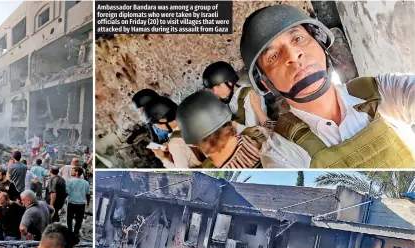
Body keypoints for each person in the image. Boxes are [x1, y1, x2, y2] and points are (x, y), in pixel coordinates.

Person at [241, 4, 415, 168]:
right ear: (266, 83)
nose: (293, 55)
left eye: (298, 38)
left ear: (319, 41)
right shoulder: (282, 154)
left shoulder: (381, 91)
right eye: (273, 56)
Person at [176, 90, 271, 168]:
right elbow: (277, 134)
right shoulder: (259, 138)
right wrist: (258, 109)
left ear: (193, 143)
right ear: (227, 117)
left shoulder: (211, 178)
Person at [204, 61, 272, 133]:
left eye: (218, 86)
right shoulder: (227, 99)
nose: (215, 92)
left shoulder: (249, 95)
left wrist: (231, 124)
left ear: (230, 82)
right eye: (212, 88)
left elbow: (253, 132)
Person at [65, 167, 90, 237]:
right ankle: (76, 232)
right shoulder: (86, 182)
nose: (71, 172)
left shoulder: (69, 181)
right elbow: (88, 194)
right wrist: (87, 203)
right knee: (79, 219)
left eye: (72, 171)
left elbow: (67, 192)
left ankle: (69, 231)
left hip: (71, 203)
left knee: (69, 218)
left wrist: (63, 200)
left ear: (76, 172)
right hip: (81, 204)